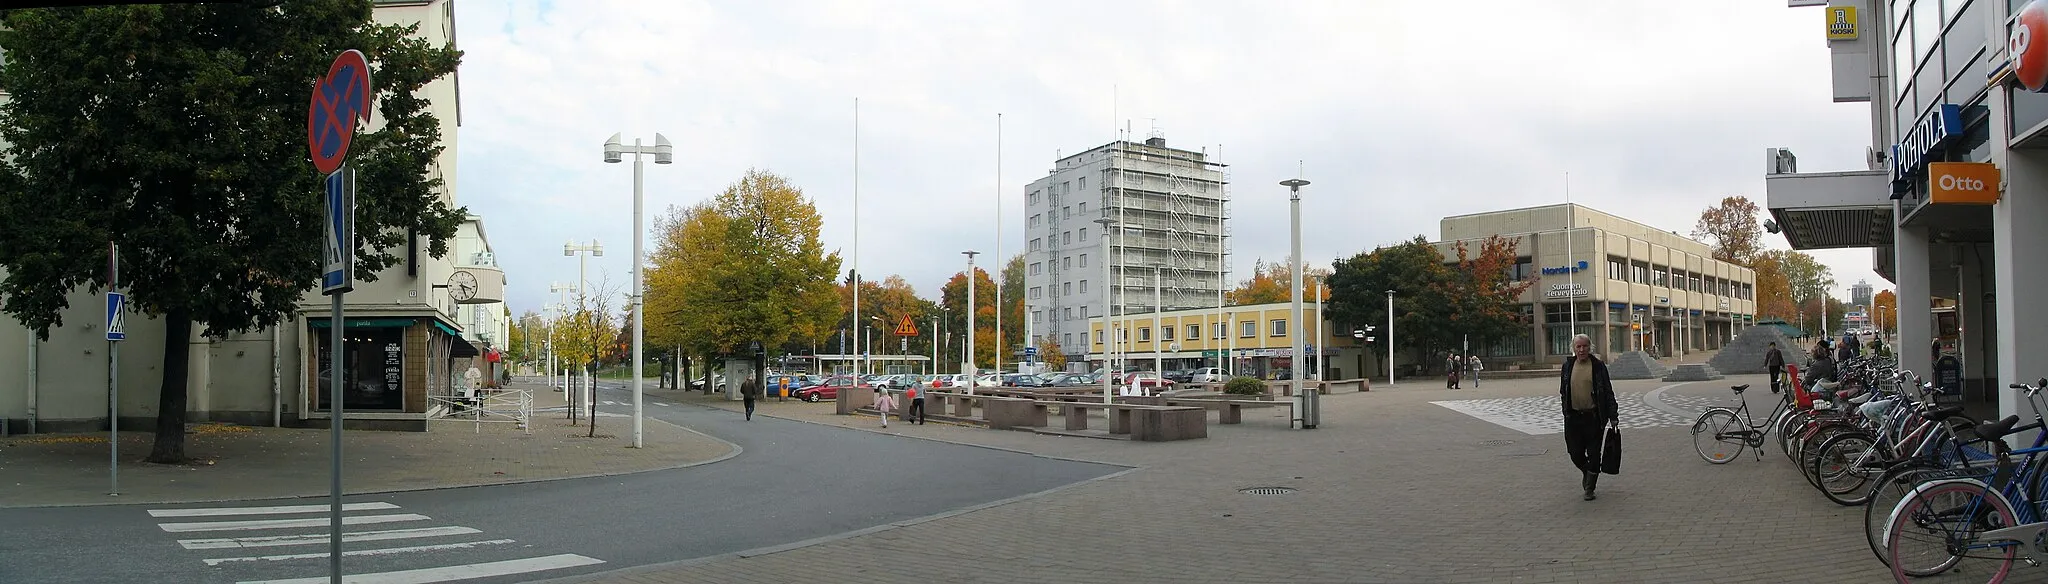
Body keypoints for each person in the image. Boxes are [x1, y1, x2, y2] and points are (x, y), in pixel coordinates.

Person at [1559, 334, 1618, 501]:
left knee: (1594, 454)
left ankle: (1590, 488)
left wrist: (1613, 416)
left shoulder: (1598, 367)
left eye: (1585, 346)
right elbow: (1563, 391)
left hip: (1593, 418)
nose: (1582, 349)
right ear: (1574, 348)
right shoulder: (1568, 366)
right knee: (1574, 453)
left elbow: (1607, 392)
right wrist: (1566, 411)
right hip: (1573, 418)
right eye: (1578, 346)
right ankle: (1587, 471)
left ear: (1589, 347)